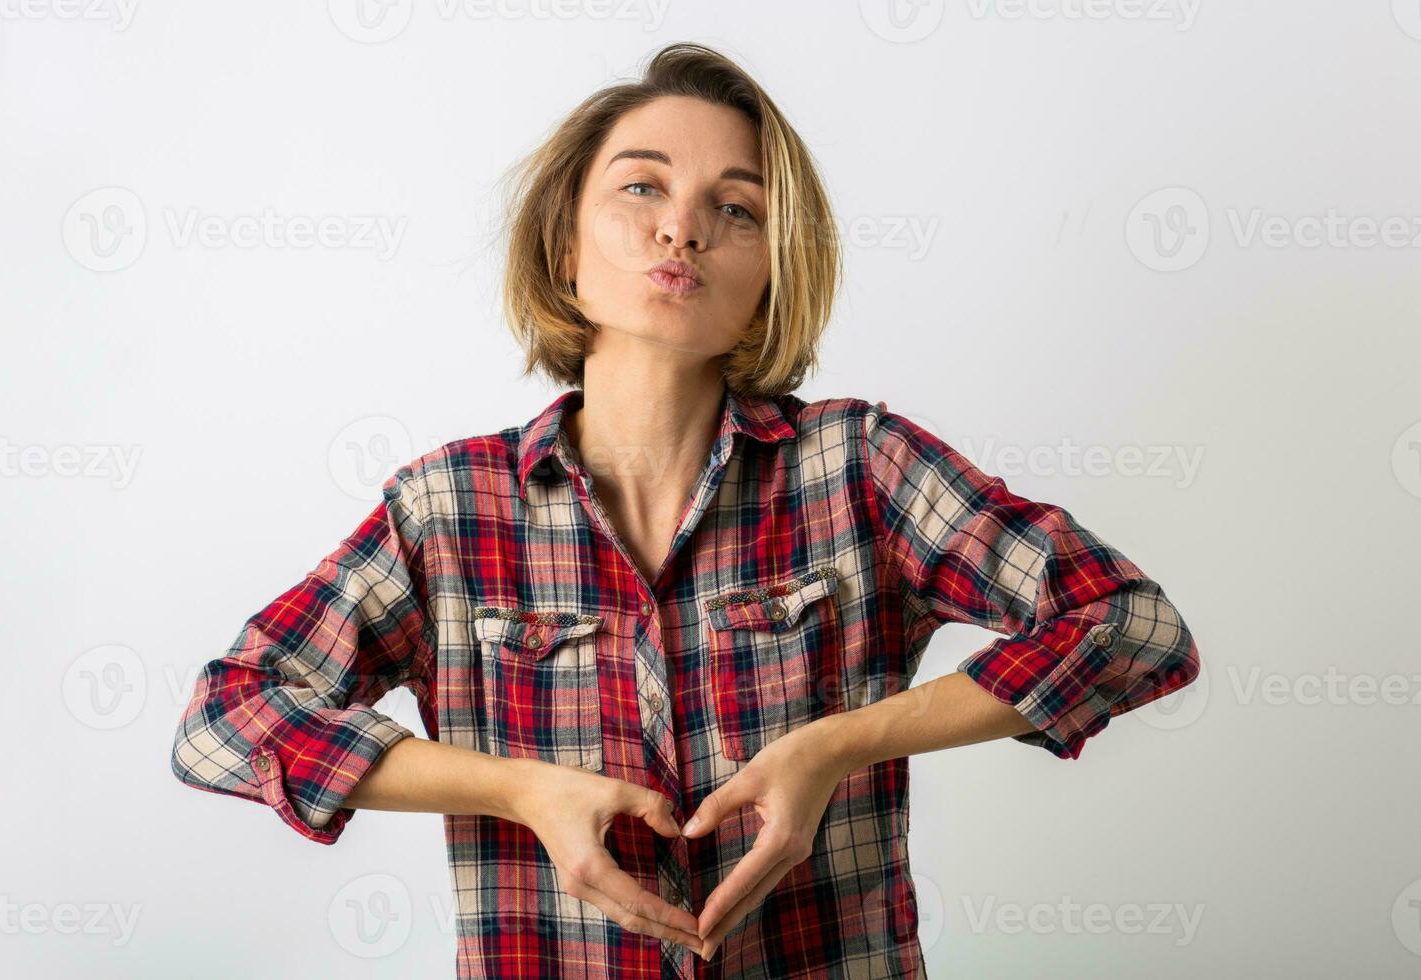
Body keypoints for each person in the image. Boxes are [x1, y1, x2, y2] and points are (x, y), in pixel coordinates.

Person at [170, 41, 1200, 979]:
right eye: (643, 187)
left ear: (770, 271)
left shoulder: (859, 467)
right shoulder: (449, 510)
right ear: (565, 246)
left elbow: (1130, 625)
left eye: (737, 207)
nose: (683, 226)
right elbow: (228, 716)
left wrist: (840, 743)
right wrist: (517, 788)